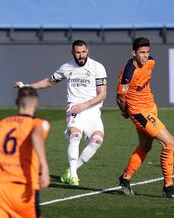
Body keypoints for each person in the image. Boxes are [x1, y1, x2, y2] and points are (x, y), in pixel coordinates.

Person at [15, 40, 107, 186]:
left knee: (97, 141)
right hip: (74, 108)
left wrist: (84, 106)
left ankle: (71, 170)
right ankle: (74, 176)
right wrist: (26, 86)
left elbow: (102, 95)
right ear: (73, 53)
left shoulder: (97, 67)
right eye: (78, 52)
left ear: (87, 51)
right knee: (75, 136)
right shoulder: (66, 67)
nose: (81, 55)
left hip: (92, 111)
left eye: (83, 52)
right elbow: (48, 82)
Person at [116, 37, 174, 199]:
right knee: (169, 142)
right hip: (139, 111)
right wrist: (125, 111)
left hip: (151, 108)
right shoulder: (128, 72)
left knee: (145, 146)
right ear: (134, 53)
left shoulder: (151, 63)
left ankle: (125, 178)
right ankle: (168, 186)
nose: (145, 56)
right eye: (141, 53)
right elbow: (120, 97)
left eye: (147, 52)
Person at [0, 87, 50, 218]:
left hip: (2, 189)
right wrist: (45, 166)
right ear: (36, 103)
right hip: (24, 189)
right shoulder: (37, 123)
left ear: (17, 102)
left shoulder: (3, 124)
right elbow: (36, 135)